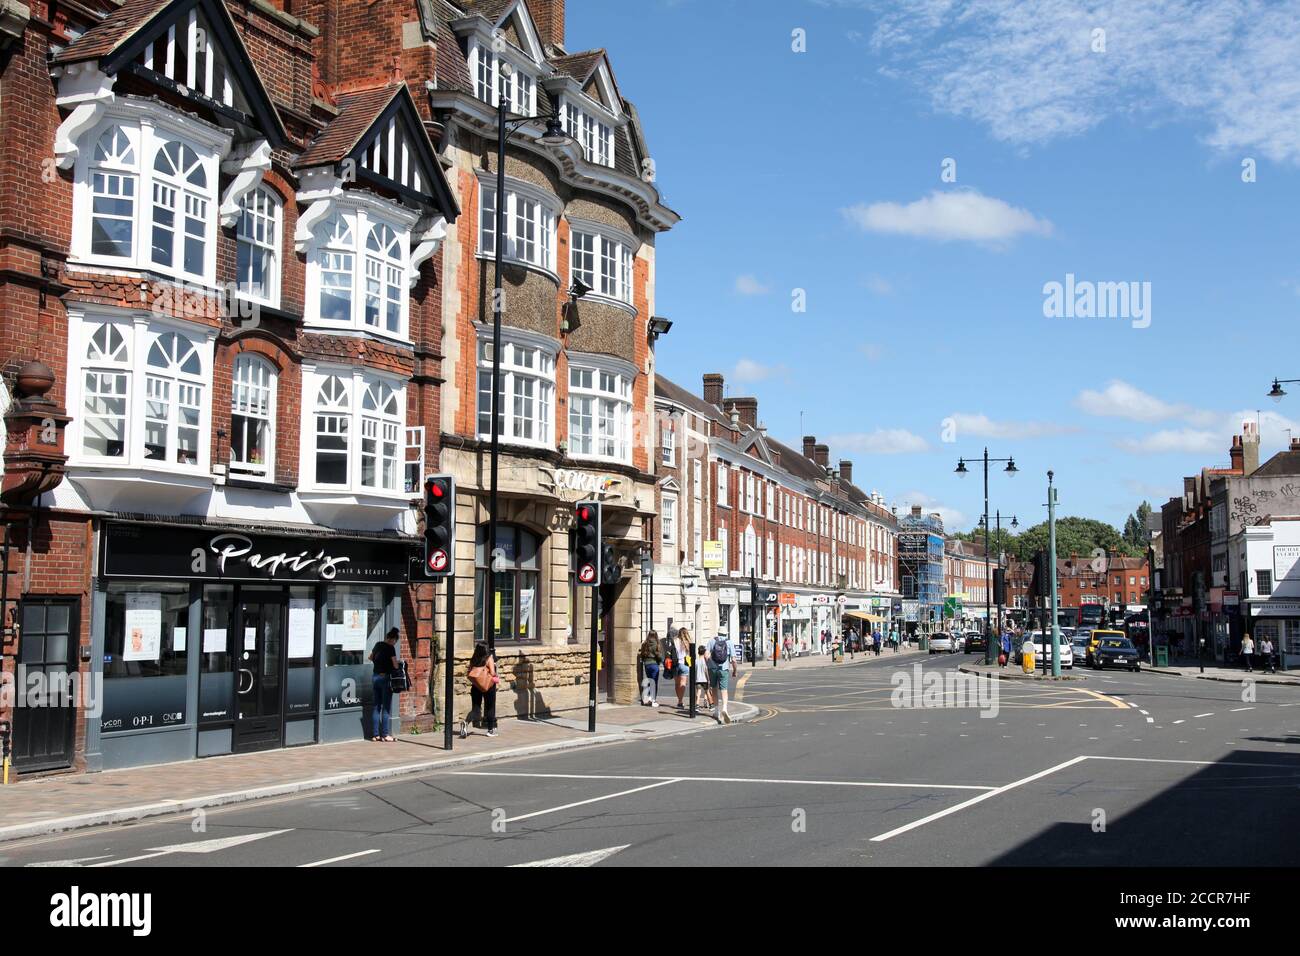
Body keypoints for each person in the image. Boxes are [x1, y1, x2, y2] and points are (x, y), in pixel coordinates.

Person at [369, 628, 400, 742]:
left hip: (375, 676)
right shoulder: (390, 648)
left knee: (376, 706)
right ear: (393, 639)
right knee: (386, 708)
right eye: (395, 641)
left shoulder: (378, 645)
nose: (394, 643)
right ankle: (385, 734)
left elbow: (370, 657)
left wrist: (378, 664)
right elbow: (395, 665)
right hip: (385, 678)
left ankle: (375, 735)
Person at [462, 642, 499, 738]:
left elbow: (470, 672)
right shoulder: (488, 658)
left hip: (476, 686)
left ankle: (466, 723)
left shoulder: (474, 659)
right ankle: (490, 730)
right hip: (488, 686)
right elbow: (493, 672)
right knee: (490, 707)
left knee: (476, 709)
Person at [706, 631, 738, 723]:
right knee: (724, 690)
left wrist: (708, 666)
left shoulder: (712, 641)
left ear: (718, 633)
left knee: (714, 689)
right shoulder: (729, 642)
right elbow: (734, 660)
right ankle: (724, 708)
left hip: (712, 668)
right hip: (724, 669)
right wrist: (735, 671)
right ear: (726, 634)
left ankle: (716, 711)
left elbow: (706, 655)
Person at [638, 630, 662, 707]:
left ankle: (648, 698)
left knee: (649, 681)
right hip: (654, 664)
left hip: (647, 665)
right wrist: (660, 660)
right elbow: (658, 655)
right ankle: (653, 700)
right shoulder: (656, 643)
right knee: (654, 682)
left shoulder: (645, 643)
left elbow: (642, 654)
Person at [674, 628, 692, 709]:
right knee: (683, 683)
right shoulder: (688, 642)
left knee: (677, 684)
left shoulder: (675, 641)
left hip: (676, 663)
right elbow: (690, 654)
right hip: (685, 663)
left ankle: (679, 700)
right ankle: (680, 701)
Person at [695, 644, 713, 709]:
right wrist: (708, 679)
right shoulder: (705, 661)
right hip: (704, 679)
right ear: (704, 652)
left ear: (698, 652)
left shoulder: (696, 661)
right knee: (707, 691)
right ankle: (711, 704)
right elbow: (706, 671)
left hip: (697, 679)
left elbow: (694, 670)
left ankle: (697, 705)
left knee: (698, 692)